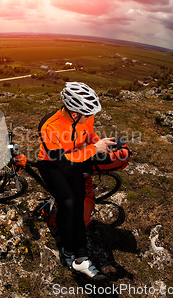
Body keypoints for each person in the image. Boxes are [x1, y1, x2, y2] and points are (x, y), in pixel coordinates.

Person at [37, 82, 116, 278]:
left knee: (79, 203)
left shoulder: (85, 116)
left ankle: (82, 256)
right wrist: (93, 150)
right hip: (52, 165)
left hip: (76, 158)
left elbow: (89, 135)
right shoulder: (49, 126)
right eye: (87, 115)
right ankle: (68, 251)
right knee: (69, 203)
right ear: (74, 114)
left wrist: (98, 144)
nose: (90, 118)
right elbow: (62, 163)